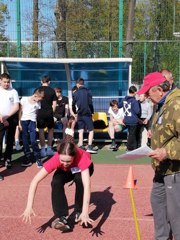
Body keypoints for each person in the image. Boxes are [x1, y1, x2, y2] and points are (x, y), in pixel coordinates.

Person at [137, 71, 180, 240]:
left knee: (176, 216)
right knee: (158, 203)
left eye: (148, 92)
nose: (146, 96)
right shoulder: (162, 104)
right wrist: (153, 132)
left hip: (175, 170)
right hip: (162, 170)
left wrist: (166, 151)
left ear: (159, 90)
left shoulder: (176, 104)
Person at [21, 137, 94, 232]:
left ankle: (79, 212)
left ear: (74, 156)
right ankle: (62, 217)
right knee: (56, 181)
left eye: (68, 161)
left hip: (82, 168)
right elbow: (35, 181)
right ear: (58, 155)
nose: (65, 163)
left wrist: (85, 211)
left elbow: (87, 185)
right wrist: (29, 206)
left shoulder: (81, 157)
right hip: (66, 171)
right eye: (62, 160)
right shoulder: (56, 159)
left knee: (79, 180)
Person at [18, 89, 44, 167]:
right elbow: (20, 111)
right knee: (25, 140)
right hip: (23, 121)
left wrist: (35, 121)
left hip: (32, 122)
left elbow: (37, 113)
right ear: (35, 95)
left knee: (33, 140)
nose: (39, 101)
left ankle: (37, 158)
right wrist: (19, 122)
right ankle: (27, 158)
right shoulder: (24, 99)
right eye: (39, 99)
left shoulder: (38, 103)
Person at [0, 73, 19, 176]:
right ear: (0, 81)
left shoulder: (14, 91)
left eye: (8, 82)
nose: (6, 84)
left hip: (11, 119)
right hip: (0, 119)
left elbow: (16, 107)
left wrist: (6, 117)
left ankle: (8, 159)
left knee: (10, 140)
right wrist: (1, 117)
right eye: (4, 82)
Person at [72, 78, 97, 153]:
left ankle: (81, 145)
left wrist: (75, 112)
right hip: (87, 114)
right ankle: (89, 146)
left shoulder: (75, 93)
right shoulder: (88, 91)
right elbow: (90, 103)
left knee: (81, 130)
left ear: (77, 84)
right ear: (83, 84)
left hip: (79, 114)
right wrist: (92, 111)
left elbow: (73, 104)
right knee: (91, 130)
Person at [35, 76, 57, 157]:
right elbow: (54, 105)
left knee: (41, 130)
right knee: (50, 130)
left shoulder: (37, 90)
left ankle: (43, 150)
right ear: (49, 82)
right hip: (49, 113)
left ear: (41, 81)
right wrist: (51, 113)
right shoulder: (52, 91)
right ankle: (49, 149)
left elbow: (35, 102)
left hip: (40, 113)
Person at [119, 85, 141, 151]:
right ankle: (130, 148)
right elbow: (137, 111)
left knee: (130, 134)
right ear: (134, 92)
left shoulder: (124, 99)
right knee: (132, 135)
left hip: (126, 120)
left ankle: (131, 147)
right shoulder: (134, 101)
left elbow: (119, 105)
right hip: (133, 120)